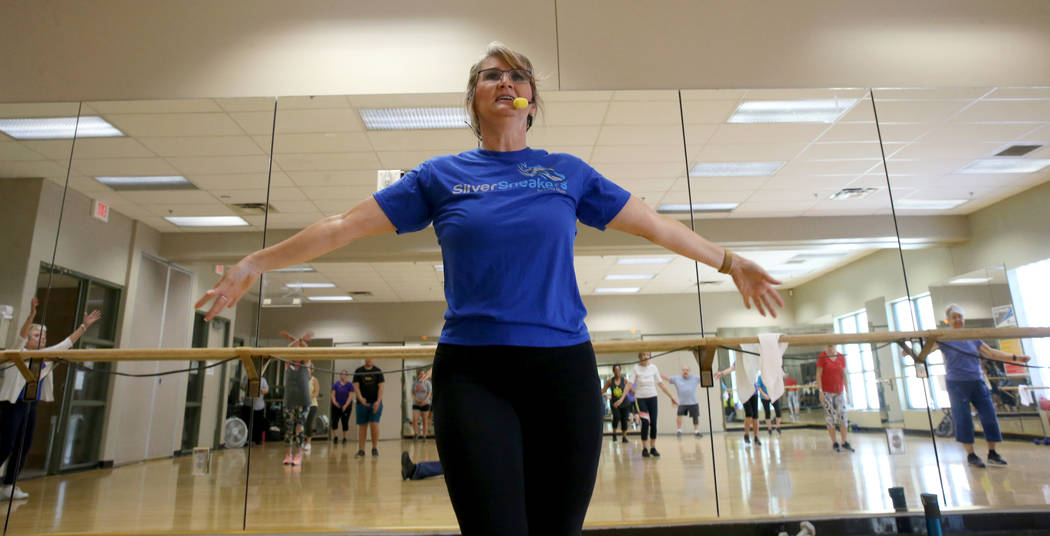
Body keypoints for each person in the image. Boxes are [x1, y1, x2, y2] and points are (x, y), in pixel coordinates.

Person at [193, 42, 782, 535]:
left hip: (564, 372)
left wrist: (729, 261)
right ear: (474, 99)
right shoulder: (440, 175)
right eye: (490, 76)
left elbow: (653, 223)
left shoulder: (566, 172)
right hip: (475, 374)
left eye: (517, 76)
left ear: (531, 101)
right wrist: (257, 262)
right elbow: (343, 226)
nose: (505, 81)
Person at [900, 304, 1030, 468]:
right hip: (956, 384)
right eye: (954, 317)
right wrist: (909, 350)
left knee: (989, 417)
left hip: (977, 381)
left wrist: (1017, 358)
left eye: (960, 317)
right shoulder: (944, 338)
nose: (958, 320)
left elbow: (990, 353)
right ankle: (971, 454)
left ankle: (993, 453)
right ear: (949, 320)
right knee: (964, 419)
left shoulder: (972, 336)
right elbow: (923, 353)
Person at [0, 298, 101, 500]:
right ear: (28, 339)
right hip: (12, 405)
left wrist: (84, 326)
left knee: (24, 445)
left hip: (30, 405)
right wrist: (31, 316)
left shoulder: (46, 355)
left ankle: (8, 485)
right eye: (37, 335)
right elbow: (21, 334)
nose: (42, 338)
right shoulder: (19, 351)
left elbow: (67, 343)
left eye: (44, 335)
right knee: (5, 444)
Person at [623, 353, 678, 458]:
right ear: (640, 357)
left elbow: (661, 384)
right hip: (640, 398)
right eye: (643, 355)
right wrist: (622, 398)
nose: (645, 357)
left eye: (647, 355)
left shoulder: (653, 368)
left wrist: (672, 397)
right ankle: (644, 448)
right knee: (645, 422)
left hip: (652, 397)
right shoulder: (636, 368)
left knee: (653, 422)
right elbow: (629, 384)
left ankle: (652, 447)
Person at [713, 363, 761, 445]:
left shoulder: (752, 359)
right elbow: (731, 369)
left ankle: (756, 437)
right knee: (749, 413)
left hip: (753, 391)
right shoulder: (738, 361)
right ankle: (746, 434)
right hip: (744, 391)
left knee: (755, 415)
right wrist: (721, 373)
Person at [817, 344, 853, 452]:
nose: (831, 347)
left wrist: (847, 392)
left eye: (833, 345)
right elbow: (818, 375)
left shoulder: (841, 357)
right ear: (827, 346)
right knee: (830, 417)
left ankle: (844, 441)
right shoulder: (822, 356)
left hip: (839, 391)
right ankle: (834, 442)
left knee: (842, 416)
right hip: (827, 392)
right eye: (829, 345)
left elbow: (844, 375)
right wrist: (820, 391)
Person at [282, 359, 311, 466]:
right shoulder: (288, 366)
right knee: (289, 429)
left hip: (303, 403)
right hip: (289, 402)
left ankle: (298, 454)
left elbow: (307, 353)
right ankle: (288, 454)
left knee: (300, 428)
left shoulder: (306, 366)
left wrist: (301, 341)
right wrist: (295, 341)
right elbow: (287, 352)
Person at [353, 359, 385, 457]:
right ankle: (361, 450)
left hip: (375, 403)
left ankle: (374, 448)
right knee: (362, 426)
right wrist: (361, 399)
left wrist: (378, 401)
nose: (369, 359)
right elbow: (356, 387)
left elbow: (381, 387)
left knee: (374, 425)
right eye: (367, 356)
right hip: (362, 404)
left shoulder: (378, 371)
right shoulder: (358, 371)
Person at [666, 365, 703, 437]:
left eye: (687, 370)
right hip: (682, 402)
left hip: (693, 401)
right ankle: (679, 431)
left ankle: (696, 431)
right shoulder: (677, 378)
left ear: (689, 371)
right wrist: (659, 375)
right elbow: (668, 379)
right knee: (679, 415)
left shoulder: (695, 378)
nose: (685, 371)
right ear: (682, 371)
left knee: (695, 416)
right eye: (683, 370)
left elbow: (705, 378)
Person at [241, 374, 269, 445]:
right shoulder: (247, 377)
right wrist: (250, 386)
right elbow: (242, 387)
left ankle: (256, 440)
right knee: (246, 423)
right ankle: (245, 439)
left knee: (258, 424)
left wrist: (260, 389)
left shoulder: (263, 379)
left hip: (259, 406)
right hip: (248, 404)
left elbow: (266, 390)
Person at [604, 364, 630, 443]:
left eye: (618, 370)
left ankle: (624, 437)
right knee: (616, 417)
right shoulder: (610, 381)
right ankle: (614, 434)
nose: (617, 372)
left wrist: (638, 392)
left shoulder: (624, 380)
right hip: (615, 404)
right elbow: (603, 390)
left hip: (625, 403)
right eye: (615, 370)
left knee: (624, 420)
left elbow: (630, 389)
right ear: (613, 371)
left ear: (620, 371)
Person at [330, 370, 354, 444]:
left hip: (346, 406)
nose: (343, 376)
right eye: (341, 374)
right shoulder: (336, 384)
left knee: (345, 422)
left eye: (344, 374)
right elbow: (332, 394)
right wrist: (334, 402)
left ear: (347, 376)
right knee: (334, 421)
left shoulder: (350, 385)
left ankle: (344, 438)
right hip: (336, 406)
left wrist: (345, 405)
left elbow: (351, 396)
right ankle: (335, 437)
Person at [411, 368, 433, 441]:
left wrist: (425, 401)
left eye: (423, 374)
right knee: (414, 419)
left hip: (425, 404)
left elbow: (429, 393)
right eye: (420, 374)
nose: (422, 375)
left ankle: (424, 436)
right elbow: (412, 393)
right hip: (416, 403)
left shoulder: (427, 383)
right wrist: (416, 399)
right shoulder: (415, 383)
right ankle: (416, 434)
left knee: (424, 420)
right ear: (418, 375)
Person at [305, 369, 320, 451]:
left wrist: (308, 398)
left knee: (309, 422)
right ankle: (301, 441)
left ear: (311, 371)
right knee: (301, 423)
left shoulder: (314, 380)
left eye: (308, 371)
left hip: (312, 405)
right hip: (303, 405)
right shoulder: (302, 379)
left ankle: (308, 443)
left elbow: (316, 393)